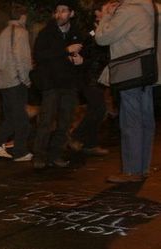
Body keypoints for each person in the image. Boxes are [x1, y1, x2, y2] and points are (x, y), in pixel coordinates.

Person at [96, 0, 156, 183]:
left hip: (129, 71)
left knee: (131, 120)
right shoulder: (150, 7)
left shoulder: (129, 10)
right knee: (145, 119)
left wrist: (105, 17)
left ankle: (131, 171)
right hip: (147, 69)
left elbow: (102, 38)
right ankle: (142, 167)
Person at [32, 1, 85, 169]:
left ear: (72, 13)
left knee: (64, 122)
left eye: (63, 11)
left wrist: (80, 61)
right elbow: (39, 56)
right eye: (57, 11)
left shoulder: (77, 33)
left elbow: (86, 55)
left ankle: (56, 155)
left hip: (69, 85)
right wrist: (65, 50)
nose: (59, 14)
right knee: (46, 122)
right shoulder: (46, 33)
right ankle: (39, 156)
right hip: (51, 85)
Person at [0, 4, 34, 162]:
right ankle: (20, 152)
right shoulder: (21, 33)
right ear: (23, 16)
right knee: (22, 121)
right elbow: (23, 59)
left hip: (4, 82)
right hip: (15, 81)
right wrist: (26, 80)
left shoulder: (3, 34)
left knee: (11, 119)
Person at [69, 0, 110, 157]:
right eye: (108, 8)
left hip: (99, 77)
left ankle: (90, 144)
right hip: (88, 77)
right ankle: (76, 136)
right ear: (97, 13)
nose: (112, 10)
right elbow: (81, 51)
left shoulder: (108, 29)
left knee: (95, 109)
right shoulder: (90, 32)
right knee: (99, 109)